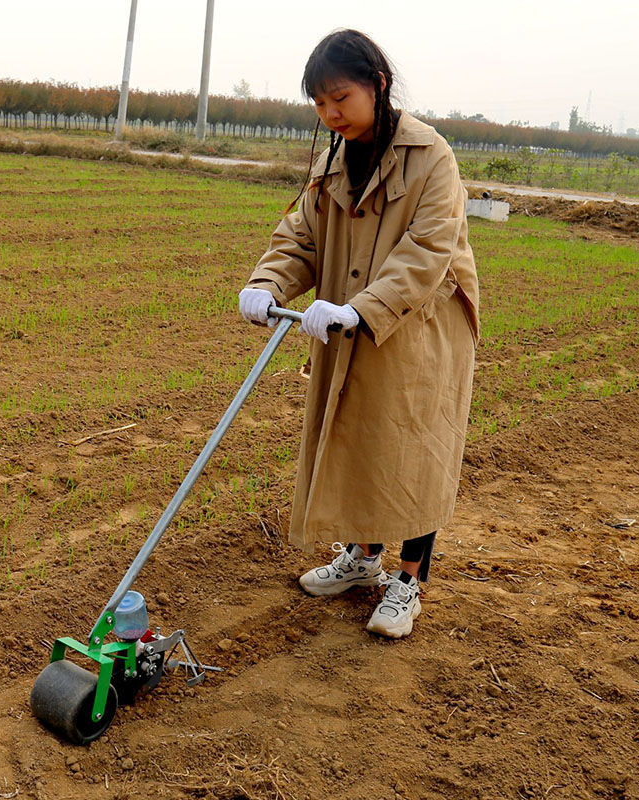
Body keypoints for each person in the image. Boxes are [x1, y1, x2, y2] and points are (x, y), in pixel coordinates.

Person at [238, 29, 480, 639]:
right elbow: (299, 237)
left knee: (414, 447)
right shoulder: (332, 161)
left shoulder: (431, 158)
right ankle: (364, 559)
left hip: (422, 327)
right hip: (352, 321)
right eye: (319, 104)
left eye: (339, 98)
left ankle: (409, 580)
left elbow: (427, 251)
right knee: (360, 436)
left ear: (377, 85)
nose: (330, 114)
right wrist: (268, 284)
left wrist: (361, 307)